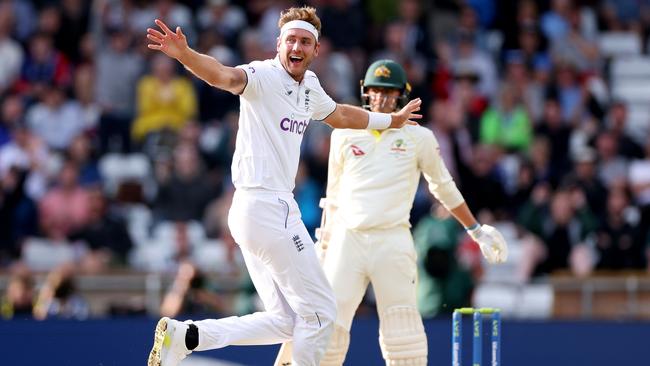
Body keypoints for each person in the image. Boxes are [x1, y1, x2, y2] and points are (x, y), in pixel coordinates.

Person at [145, 6, 423, 366]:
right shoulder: (263, 75)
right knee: (322, 311)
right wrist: (185, 55)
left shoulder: (310, 87)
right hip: (265, 207)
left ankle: (188, 336)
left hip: (259, 212)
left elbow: (340, 115)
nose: (297, 46)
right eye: (291, 39)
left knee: (286, 321)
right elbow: (222, 76)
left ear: (315, 50)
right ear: (278, 43)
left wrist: (391, 121)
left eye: (305, 41)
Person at [277, 60, 509, 366]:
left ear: (402, 95)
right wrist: (324, 246)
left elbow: (443, 187)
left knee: (404, 338)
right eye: (375, 91)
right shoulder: (344, 133)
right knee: (325, 328)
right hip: (348, 240)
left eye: (389, 92)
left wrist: (476, 230)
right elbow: (333, 197)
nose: (382, 98)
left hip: (393, 240)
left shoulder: (419, 138)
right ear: (365, 92)